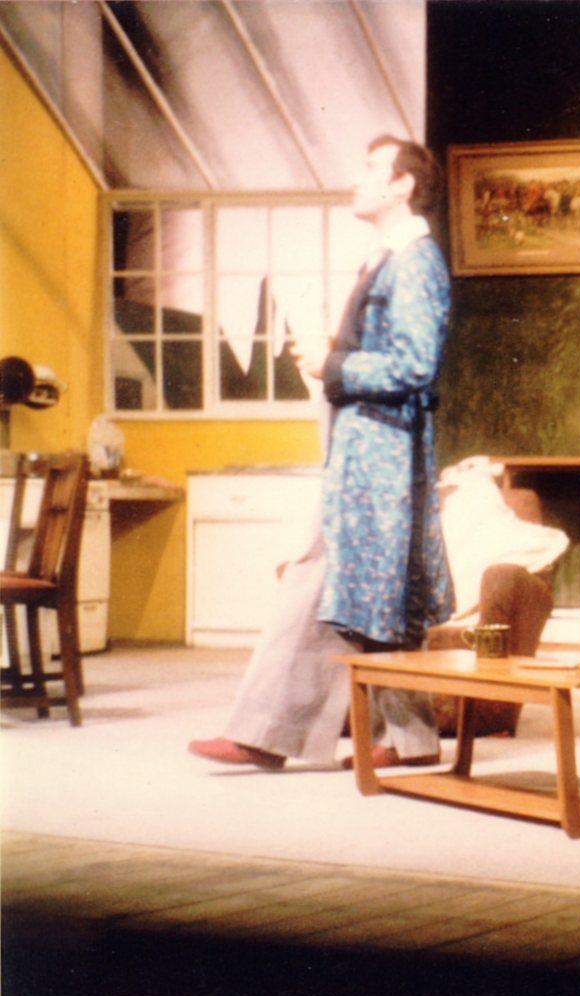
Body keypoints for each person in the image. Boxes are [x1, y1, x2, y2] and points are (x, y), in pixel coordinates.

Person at [189, 135, 455, 771]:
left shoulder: (414, 262)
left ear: (403, 185)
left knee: (340, 587)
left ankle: (266, 734)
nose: (356, 179)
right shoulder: (388, 258)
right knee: (354, 592)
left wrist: (331, 364)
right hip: (365, 455)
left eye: (371, 169)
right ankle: (402, 738)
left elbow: (416, 365)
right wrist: (333, 355)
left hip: (381, 461)